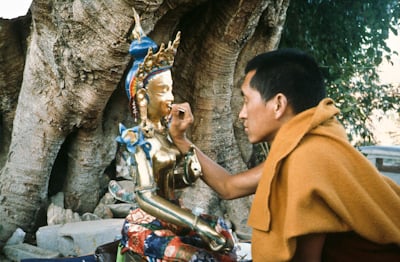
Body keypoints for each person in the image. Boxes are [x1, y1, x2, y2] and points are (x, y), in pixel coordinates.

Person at [169, 48, 400, 261]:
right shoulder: (302, 148)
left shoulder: (309, 160)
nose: (242, 114)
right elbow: (229, 186)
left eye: (247, 101)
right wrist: (181, 139)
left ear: (278, 104)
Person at [110, 9, 235, 261]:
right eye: (164, 91)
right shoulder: (136, 139)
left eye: (171, 89)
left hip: (174, 215)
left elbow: (174, 182)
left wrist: (188, 163)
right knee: (196, 257)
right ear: (143, 96)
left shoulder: (167, 133)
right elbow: (146, 196)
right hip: (147, 223)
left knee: (224, 235)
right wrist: (198, 225)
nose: (170, 98)